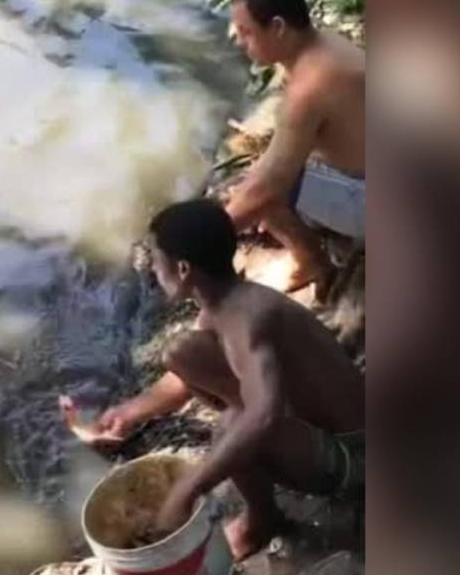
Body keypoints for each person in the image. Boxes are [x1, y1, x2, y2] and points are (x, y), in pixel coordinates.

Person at [62, 199, 364, 560]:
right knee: (181, 351)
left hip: (356, 459)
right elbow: (183, 377)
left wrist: (187, 488)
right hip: (316, 433)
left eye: (156, 260)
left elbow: (263, 415)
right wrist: (127, 413)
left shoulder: (252, 319)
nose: (153, 271)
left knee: (234, 423)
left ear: (183, 268)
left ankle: (261, 520)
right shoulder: (222, 306)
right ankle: (261, 506)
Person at [223, 0, 365, 293]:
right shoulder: (325, 42)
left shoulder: (309, 88)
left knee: (257, 192)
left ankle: (310, 261)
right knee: (264, 178)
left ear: (278, 28)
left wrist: (204, 242)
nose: (238, 40)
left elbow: (265, 189)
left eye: (246, 32)